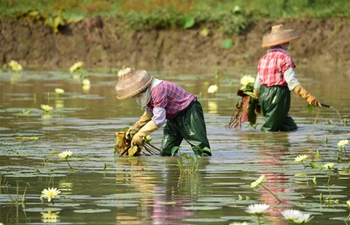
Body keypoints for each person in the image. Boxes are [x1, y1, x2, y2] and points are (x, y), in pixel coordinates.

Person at [114, 68, 211, 156]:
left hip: (189, 112)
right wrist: (135, 128)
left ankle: (203, 169)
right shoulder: (148, 94)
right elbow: (149, 113)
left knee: (201, 150)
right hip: (173, 117)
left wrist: (140, 134)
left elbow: (159, 120)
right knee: (166, 152)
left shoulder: (158, 90)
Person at [253, 24, 321, 132]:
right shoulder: (284, 58)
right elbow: (292, 82)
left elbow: (257, 82)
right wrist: (308, 97)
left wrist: (256, 95)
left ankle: (281, 147)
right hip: (277, 96)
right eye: (287, 42)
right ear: (284, 43)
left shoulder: (263, 58)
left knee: (290, 127)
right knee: (269, 129)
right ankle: (264, 146)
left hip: (264, 95)